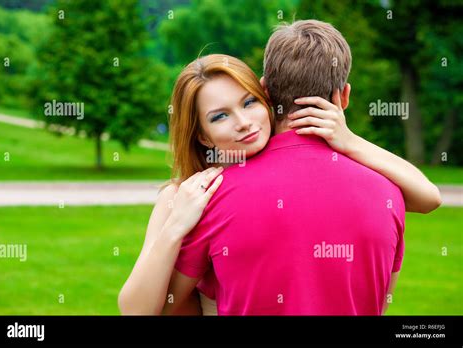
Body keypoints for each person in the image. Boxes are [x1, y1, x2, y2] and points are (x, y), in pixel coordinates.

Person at [118, 21, 441, 316]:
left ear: (266, 94)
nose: (243, 124)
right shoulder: (389, 191)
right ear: (344, 96)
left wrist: (351, 141)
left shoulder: (212, 199)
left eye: (248, 103)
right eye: (220, 116)